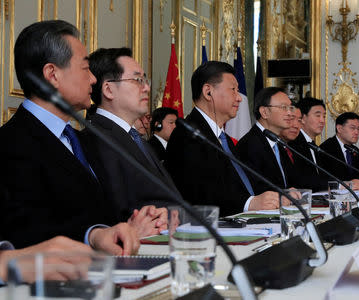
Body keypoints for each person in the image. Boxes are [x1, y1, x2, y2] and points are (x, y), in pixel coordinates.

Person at [0, 20, 146, 251]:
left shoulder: (81, 138)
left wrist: (133, 224)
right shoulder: (11, 144)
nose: (93, 79)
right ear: (52, 74)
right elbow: (25, 231)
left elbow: (97, 211)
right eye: (85, 68)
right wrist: (92, 235)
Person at [165, 61, 281, 216]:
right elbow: (201, 193)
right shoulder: (187, 134)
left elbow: (240, 184)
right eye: (233, 89)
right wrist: (249, 203)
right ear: (208, 92)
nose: (239, 98)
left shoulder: (222, 138)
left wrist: (277, 197)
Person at [81, 47, 174, 227]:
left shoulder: (137, 139)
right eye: (138, 80)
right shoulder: (97, 139)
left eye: (145, 80)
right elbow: (120, 210)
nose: (147, 87)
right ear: (108, 89)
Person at [236, 87, 298, 194]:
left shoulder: (278, 144)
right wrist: (284, 194)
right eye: (283, 107)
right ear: (264, 112)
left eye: (290, 107)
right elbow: (254, 189)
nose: (290, 113)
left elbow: (291, 181)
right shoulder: (249, 145)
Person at [319, 112, 359, 181]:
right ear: (339, 128)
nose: (356, 132)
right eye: (352, 128)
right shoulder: (326, 149)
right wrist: (350, 183)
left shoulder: (354, 150)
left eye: (358, 129)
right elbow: (326, 179)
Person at [288, 97, 329, 191]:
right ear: (302, 118)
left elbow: (321, 177)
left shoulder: (313, 145)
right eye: (318, 115)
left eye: (324, 116)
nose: (322, 120)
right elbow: (303, 181)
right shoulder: (294, 144)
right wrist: (337, 186)